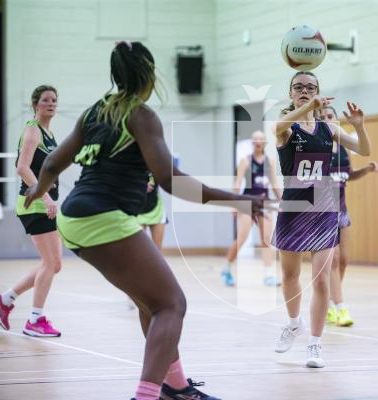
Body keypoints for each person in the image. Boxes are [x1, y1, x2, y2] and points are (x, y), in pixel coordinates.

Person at [24, 41, 265, 400]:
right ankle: (147, 395)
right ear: (149, 75)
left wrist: (37, 191)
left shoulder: (94, 112)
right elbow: (172, 180)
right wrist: (240, 200)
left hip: (74, 217)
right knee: (172, 305)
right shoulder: (141, 115)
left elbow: (50, 165)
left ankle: (177, 386)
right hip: (102, 217)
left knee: (149, 302)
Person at [272, 71, 370, 368]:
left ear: (319, 91)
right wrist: (308, 105)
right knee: (289, 277)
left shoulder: (328, 128)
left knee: (322, 279)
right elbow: (279, 125)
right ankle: (292, 323)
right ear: (290, 93)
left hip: (325, 211)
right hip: (293, 209)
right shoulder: (286, 128)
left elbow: (364, 150)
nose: (304, 90)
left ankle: (315, 345)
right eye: (299, 87)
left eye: (310, 87)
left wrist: (359, 127)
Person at [0, 85, 63, 337]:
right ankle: (35, 320)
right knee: (51, 264)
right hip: (34, 203)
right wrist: (47, 195)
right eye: (45, 100)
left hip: (42, 203)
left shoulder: (49, 133)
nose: (51, 104)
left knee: (53, 264)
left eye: (54, 100)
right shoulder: (32, 131)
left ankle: (5, 299)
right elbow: (22, 168)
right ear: (35, 105)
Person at [319, 105, 378, 327]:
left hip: (342, 210)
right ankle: (341, 307)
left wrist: (366, 171)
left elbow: (348, 175)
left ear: (337, 119)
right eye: (322, 117)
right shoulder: (317, 149)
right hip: (322, 213)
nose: (327, 119)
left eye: (330, 116)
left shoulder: (344, 148)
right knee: (333, 260)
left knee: (344, 260)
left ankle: (327, 301)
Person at [222, 130, 282, 287]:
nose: (258, 141)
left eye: (261, 139)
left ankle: (268, 275)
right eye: (255, 139)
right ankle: (227, 268)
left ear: (264, 143)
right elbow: (237, 183)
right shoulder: (245, 161)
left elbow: (274, 183)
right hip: (247, 202)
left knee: (267, 239)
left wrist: (282, 200)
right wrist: (234, 204)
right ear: (252, 142)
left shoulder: (270, 161)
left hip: (264, 202)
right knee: (242, 238)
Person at [137, 175, 167, 250]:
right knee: (139, 248)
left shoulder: (156, 164)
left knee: (157, 249)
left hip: (156, 208)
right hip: (137, 209)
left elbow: (166, 178)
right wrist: (139, 186)